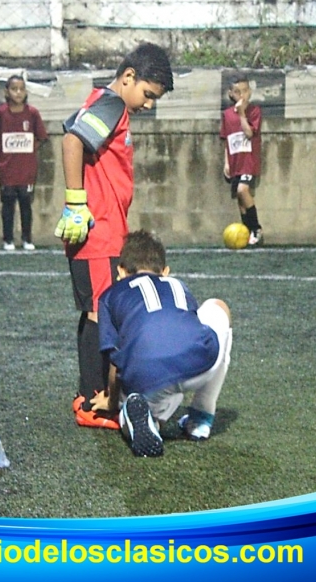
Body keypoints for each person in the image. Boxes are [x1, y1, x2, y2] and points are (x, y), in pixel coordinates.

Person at [53, 42, 174, 429]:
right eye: (148, 95)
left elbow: (73, 125)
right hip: (97, 233)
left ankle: (90, 394)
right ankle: (93, 402)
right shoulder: (113, 105)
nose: (149, 105)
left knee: (96, 311)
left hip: (102, 232)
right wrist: (76, 202)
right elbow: (72, 140)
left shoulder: (103, 102)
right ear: (128, 77)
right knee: (98, 313)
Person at [90, 230, 232, 457]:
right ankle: (200, 419)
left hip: (150, 377)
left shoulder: (109, 296)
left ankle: (139, 419)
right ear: (165, 272)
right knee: (219, 306)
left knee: (142, 397)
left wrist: (112, 400)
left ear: (120, 271)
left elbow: (113, 360)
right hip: (202, 362)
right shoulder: (177, 285)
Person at [0, 75, 47, 251]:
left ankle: (27, 238)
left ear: (26, 91)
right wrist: (3, 152)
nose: (18, 93)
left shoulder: (32, 113)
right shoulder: (0, 113)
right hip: (7, 170)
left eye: (21, 89)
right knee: (8, 204)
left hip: (26, 169)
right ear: (6, 92)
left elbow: (42, 137)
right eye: (14, 89)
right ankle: (8, 239)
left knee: (26, 203)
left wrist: (31, 149)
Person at [220, 74, 263, 245]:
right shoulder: (227, 115)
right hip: (235, 162)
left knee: (242, 190)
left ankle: (256, 229)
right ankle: (247, 233)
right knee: (240, 200)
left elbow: (249, 133)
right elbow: (226, 140)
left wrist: (242, 114)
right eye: (238, 92)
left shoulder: (254, 111)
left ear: (250, 92)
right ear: (231, 94)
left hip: (249, 161)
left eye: (245, 91)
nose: (242, 95)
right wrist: (226, 162)